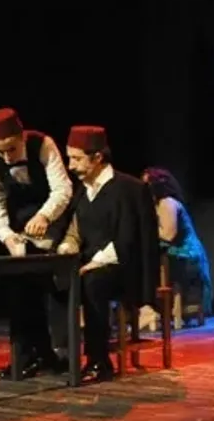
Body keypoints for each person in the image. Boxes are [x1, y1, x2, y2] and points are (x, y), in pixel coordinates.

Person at [56, 126, 159, 383]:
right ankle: (60, 354)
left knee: (93, 283)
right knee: (56, 280)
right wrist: (66, 248)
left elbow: (129, 239)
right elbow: (74, 231)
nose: (71, 166)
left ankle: (99, 361)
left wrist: (94, 264)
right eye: (70, 158)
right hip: (90, 265)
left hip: (122, 266)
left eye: (77, 159)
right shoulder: (82, 191)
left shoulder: (129, 189)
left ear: (98, 157)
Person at [0, 107, 73, 376]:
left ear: (21, 135)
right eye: (0, 151)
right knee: (20, 285)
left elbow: (62, 189)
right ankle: (29, 354)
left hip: (56, 222)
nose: (7, 157)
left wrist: (45, 216)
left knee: (54, 286)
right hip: (20, 227)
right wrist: (7, 236)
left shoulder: (42, 144)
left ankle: (58, 352)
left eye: (11, 149)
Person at [142, 167, 211, 329]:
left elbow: (168, 235)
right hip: (173, 252)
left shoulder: (167, 203)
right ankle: (148, 310)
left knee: (145, 262)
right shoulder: (156, 205)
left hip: (186, 254)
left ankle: (151, 310)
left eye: (146, 185)